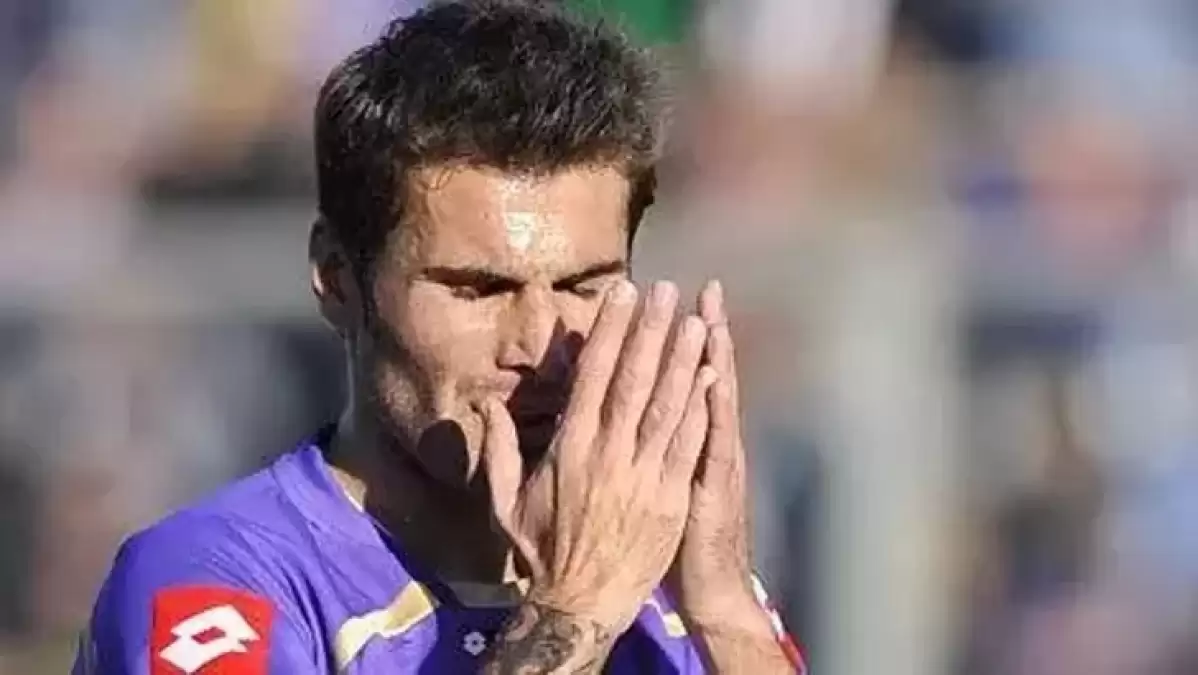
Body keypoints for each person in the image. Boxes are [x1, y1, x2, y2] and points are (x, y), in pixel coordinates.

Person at [72, 1, 805, 672]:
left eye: (584, 286)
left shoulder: (678, 600)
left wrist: (725, 608)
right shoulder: (217, 579)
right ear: (338, 279)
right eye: (478, 290)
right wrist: (572, 611)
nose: (537, 344)